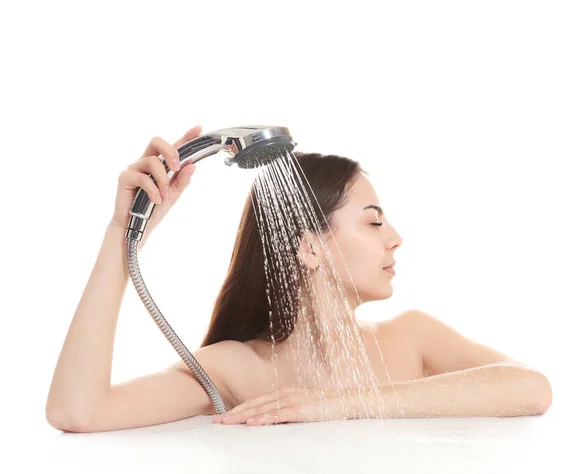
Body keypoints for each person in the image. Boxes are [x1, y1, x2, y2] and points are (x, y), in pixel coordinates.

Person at [46, 125, 549, 433]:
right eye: (373, 221)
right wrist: (123, 236)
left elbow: (531, 389)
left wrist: (339, 404)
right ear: (308, 247)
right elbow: (79, 412)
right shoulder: (238, 370)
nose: (395, 238)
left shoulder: (411, 338)